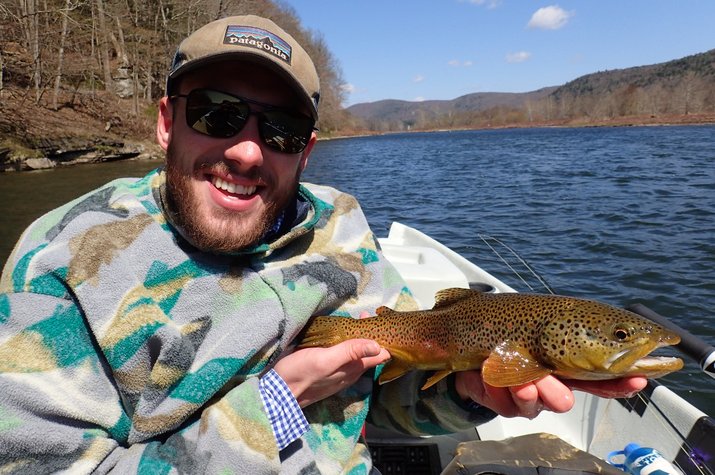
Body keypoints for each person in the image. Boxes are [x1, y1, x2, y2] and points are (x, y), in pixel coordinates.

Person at [0, 14, 645, 474]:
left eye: (280, 130)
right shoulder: (61, 263)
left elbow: (374, 406)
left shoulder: (341, 229)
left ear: (306, 152)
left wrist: (462, 395)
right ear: (168, 123)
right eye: (217, 114)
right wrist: (276, 403)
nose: (248, 150)